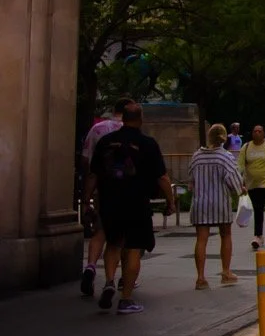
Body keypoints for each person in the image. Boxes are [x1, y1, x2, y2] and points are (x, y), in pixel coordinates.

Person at [86, 102, 175, 314]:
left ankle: (108, 280)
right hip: (136, 203)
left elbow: (93, 174)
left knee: (113, 243)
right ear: (141, 118)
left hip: (109, 201)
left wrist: (87, 199)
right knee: (134, 248)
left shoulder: (106, 142)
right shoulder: (147, 143)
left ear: (123, 118)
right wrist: (170, 201)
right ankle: (125, 298)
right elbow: (162, 177)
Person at [78, 101, 126, 296]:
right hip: (125, 189)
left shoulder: (97, 129)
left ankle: (90, 266)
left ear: (114, 110)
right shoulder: (129, 131)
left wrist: (87, 192)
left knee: (100, 229)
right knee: (120, 237)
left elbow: (85, 159)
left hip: (102, 186)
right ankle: (113, 279)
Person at [188, 124, 244, 287]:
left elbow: (191, 182)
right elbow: (234, 183)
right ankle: (226, 272)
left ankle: (200, 278)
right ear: (224, 138)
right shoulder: (225, 157)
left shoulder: (196, 156)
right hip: (220, 202)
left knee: (201, 239)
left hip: (200, 203)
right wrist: (241, 190)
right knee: (225, 235)